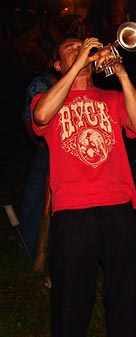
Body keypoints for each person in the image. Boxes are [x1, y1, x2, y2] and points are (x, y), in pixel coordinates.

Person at [31, 33, 136, 337]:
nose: (81, 50)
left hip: (118, 207)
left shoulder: (111, 98)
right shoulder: (48, 98)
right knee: (70, 300)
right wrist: (76, 67)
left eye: (84, 47)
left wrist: (122, 74)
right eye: (71, 49)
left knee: (124, 297)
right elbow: (40, 117)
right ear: (57, 65)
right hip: (73, 210)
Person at [19, 69, 58, 259]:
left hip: (68, 152)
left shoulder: (80, 82)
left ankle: (52, 246)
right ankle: (30, 246)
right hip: (46, 151)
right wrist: (39, 143)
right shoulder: (41, 85)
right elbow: (29, 116)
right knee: (35, 197)